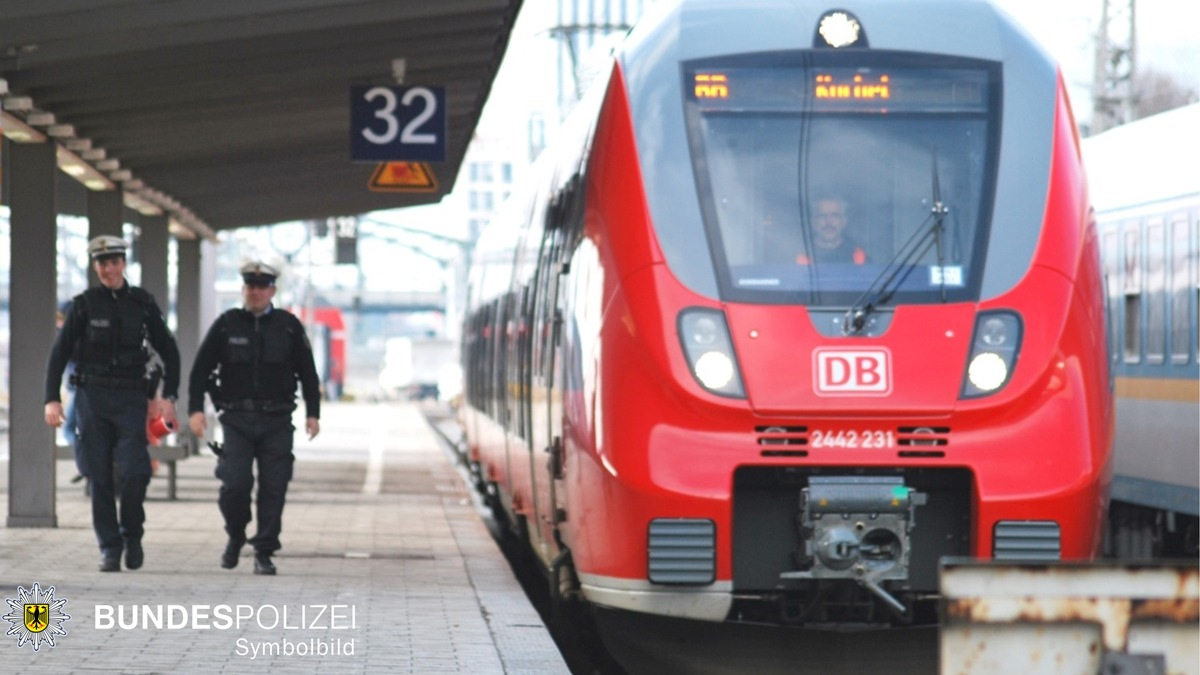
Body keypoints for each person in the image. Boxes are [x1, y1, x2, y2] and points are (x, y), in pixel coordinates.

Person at [44, 235, 181, 572]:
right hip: (93, 398)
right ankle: (110, 547)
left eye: (114, 261)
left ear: (123, 263)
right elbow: (59, 353)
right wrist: (51, 399)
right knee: (99, 476)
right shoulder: (85, 305)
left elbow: (170, 350)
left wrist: (170, 397)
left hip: (132, 399)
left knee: (136, 472)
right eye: (101, 263)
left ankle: (132, 535)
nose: (108, 268)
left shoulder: (143, 303)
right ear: (95, 267)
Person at [188, 261, 321, 575]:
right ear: (244, 290)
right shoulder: (227, 324)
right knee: (235, 484)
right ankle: (236, 535)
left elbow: (308, 374)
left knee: (274, 486)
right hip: (237, 420)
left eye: (262, 287)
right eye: (251, 287)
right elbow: (200, 371)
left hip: (277, 420)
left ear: (272, 291)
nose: (256, 292)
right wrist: (195, 410)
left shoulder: (289, 326)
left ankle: (263, 551)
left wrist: (313, 414)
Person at [797, 196, 868, 265]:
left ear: (844, 221)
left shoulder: (861, 257)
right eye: (822, 216)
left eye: (835, 216)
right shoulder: (796, 256)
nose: (828, 222)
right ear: (813, 222)